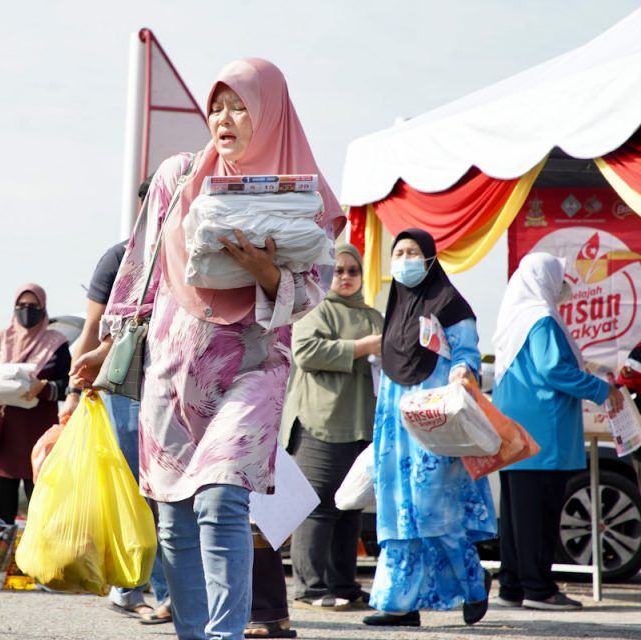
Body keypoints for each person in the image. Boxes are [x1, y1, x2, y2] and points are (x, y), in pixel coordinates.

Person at [72, 58, 342, 640]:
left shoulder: (310, 191)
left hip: (255, 364)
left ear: (269, 114)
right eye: (217, 105)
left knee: (222, 502)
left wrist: (268, 273)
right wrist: (110, 345)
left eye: (240, 105)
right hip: (172, 368)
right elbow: (139, 268)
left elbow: (314, 289)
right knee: (173, 519)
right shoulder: (177, 176)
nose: (224, 117)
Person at [363, 229, 496, 628]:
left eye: (413, 252)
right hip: (396, 424)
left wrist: (460, 371)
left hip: (436, 420)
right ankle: (400, 604)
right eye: (398, 252)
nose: (404, 259)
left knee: (432, 510)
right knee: (397, 514)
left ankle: (475, 583)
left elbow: (467, 352)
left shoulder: (450, 304)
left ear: (431, 259)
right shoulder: (396, 308)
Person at [491, 252, 623, 610]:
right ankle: (539, 589)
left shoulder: (514, 317)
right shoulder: (542, 319)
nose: (564, 285)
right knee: (539, 512)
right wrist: (601, 390)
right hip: (541, 431)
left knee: (518, 514)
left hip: (515, 433)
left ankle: (513, 587)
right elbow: (552, 370)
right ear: (544, 279)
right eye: (559, 277)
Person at [62, 229, 171, 624]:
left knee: (159, 490)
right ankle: (144, 589)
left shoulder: (189, 248)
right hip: (126, 386)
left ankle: (139, 589)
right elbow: (92, 328)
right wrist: (73, 393)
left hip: (174, 385)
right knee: (140, 490)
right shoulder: (120, 258)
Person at [284, 243, 383, 612]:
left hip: (362, 424)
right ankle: (311, 589)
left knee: (350, 506)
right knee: (319, 506)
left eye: (352, 271)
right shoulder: (315, 308)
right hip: (320, 422)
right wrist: (361, 347)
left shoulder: (374, 315)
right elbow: (305, 351)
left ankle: (344, 584)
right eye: (337, 270)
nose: (344, 277)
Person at [0, 284, 70, 525]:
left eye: (33, 307)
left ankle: (35, 564)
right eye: (21, 306)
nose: (27, 311)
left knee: (42, 515)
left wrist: (43, 388)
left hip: (39, 438)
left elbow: (68, 385)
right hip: (5, 437)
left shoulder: (57, 343)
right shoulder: (0, 338)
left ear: (43, 308)